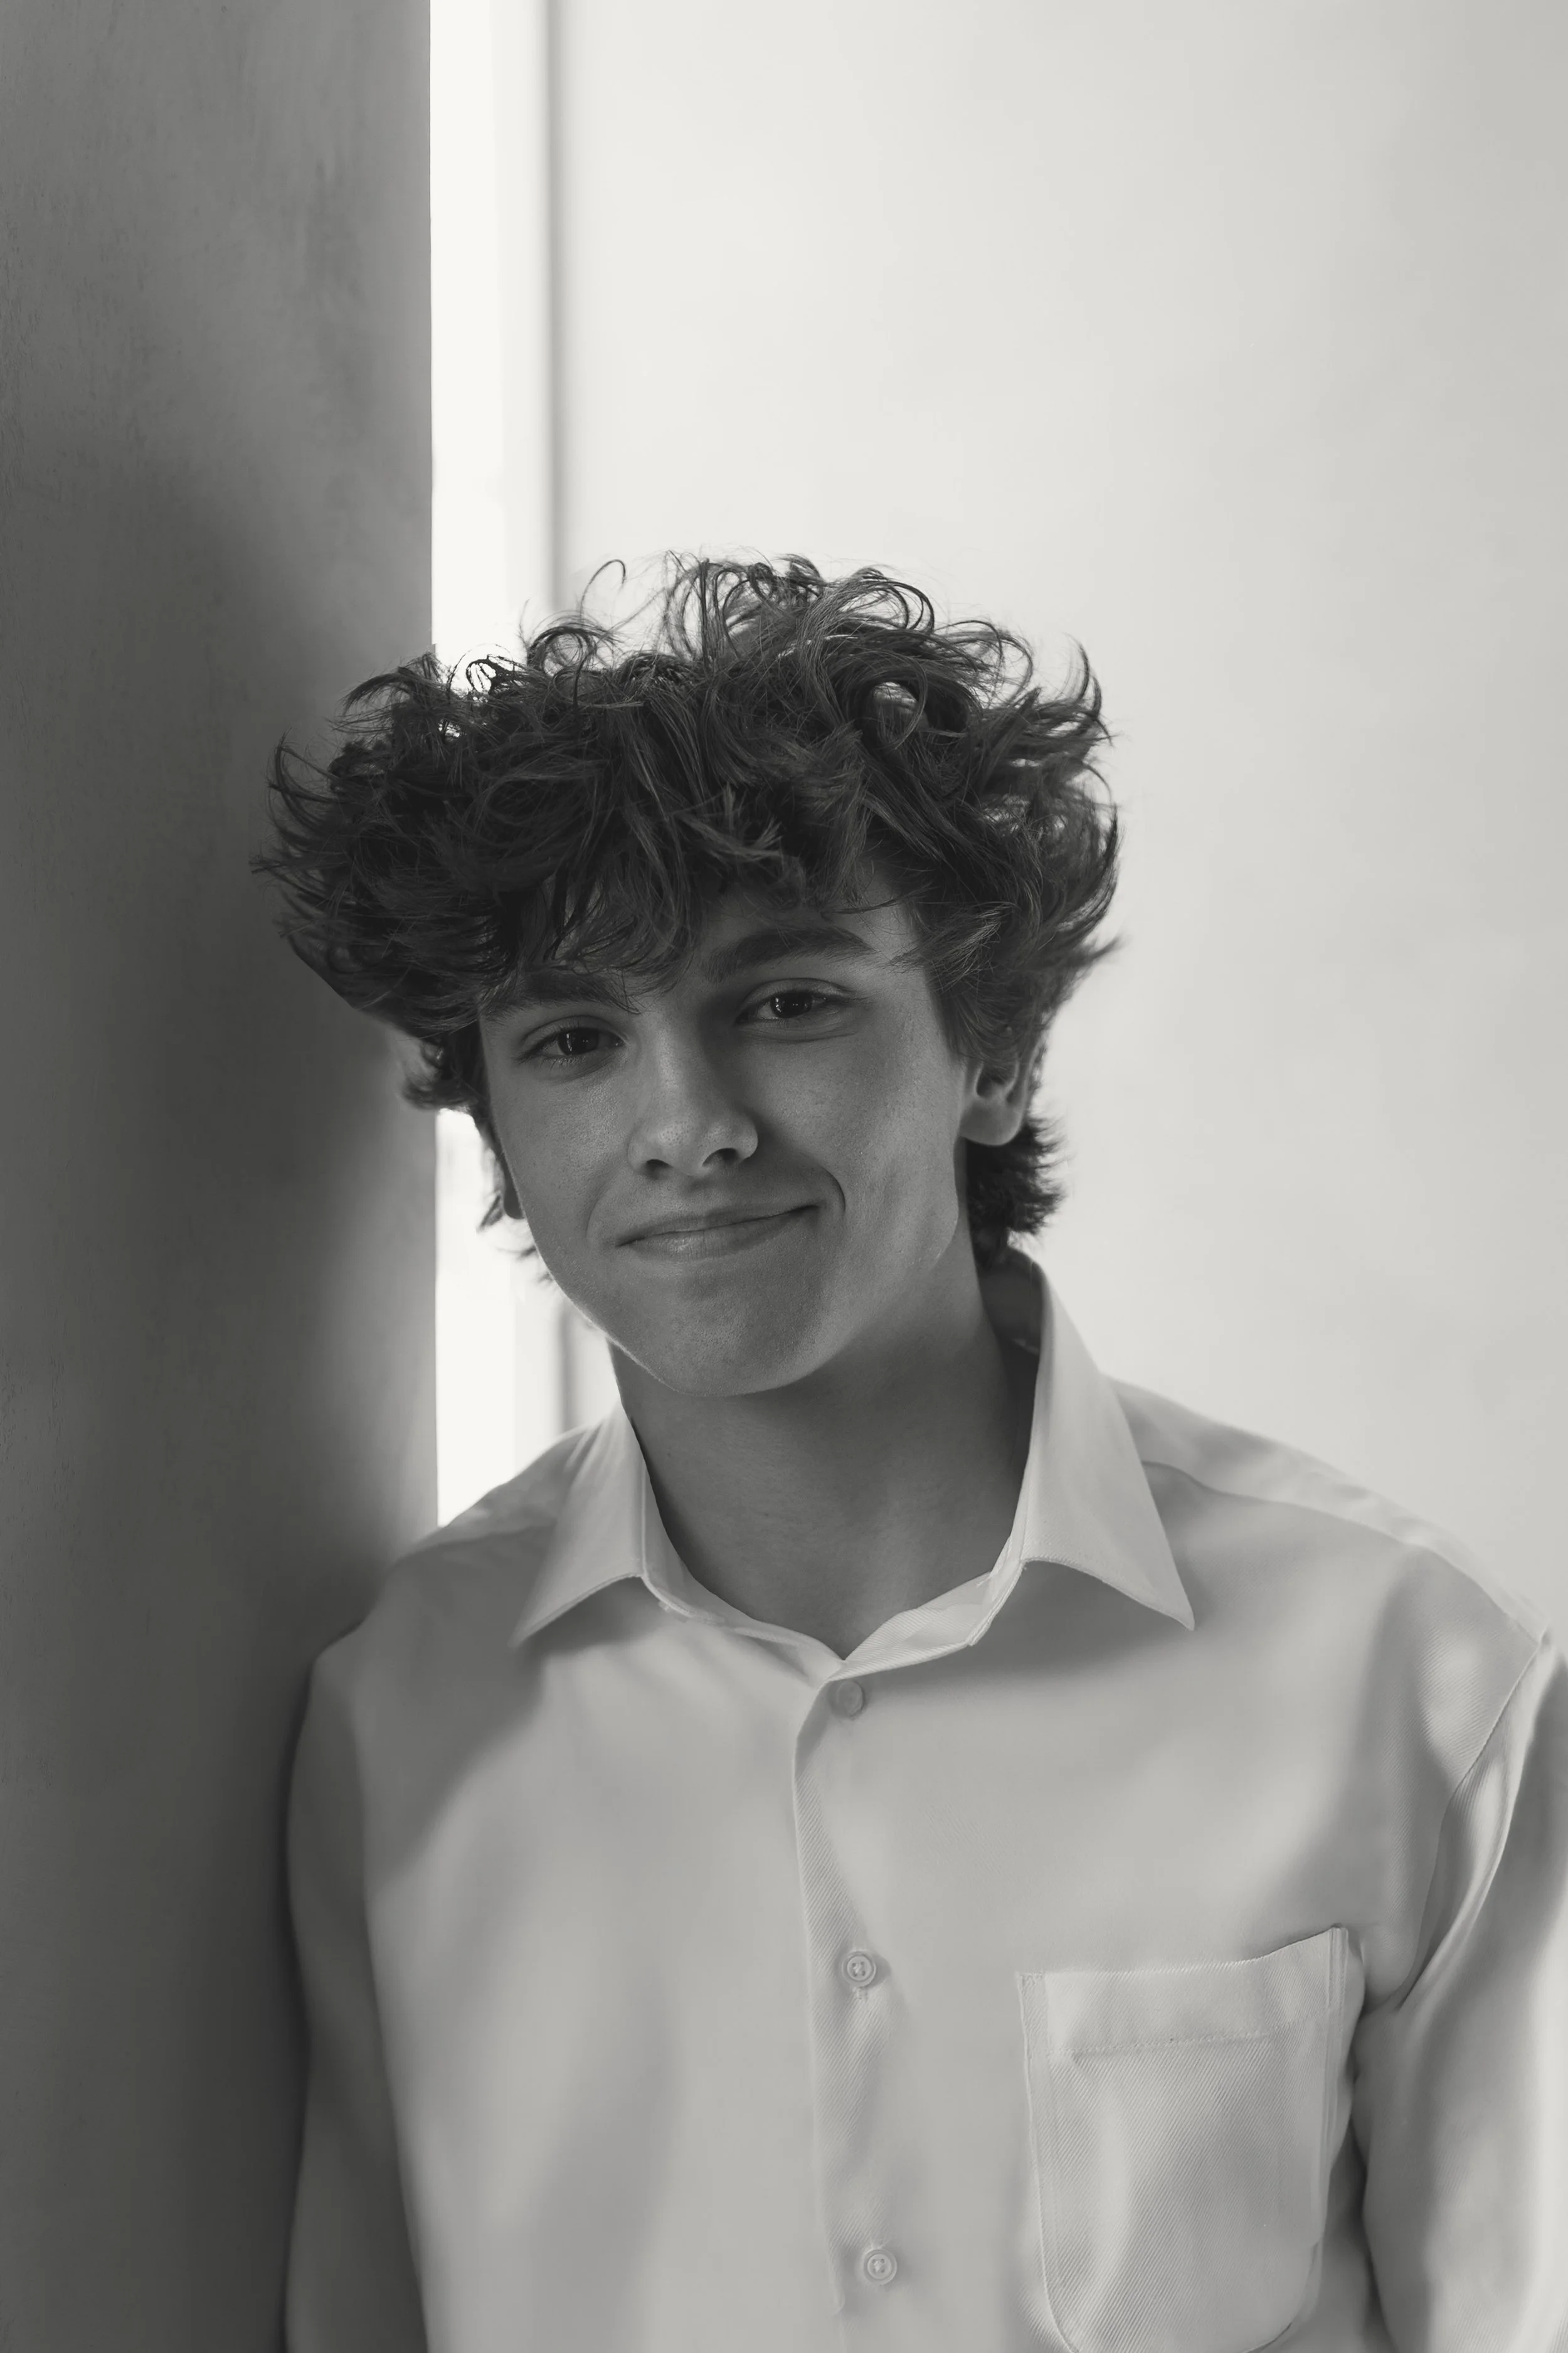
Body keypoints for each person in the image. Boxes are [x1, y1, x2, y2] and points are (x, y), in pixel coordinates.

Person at [253, 556, 1567, 2353]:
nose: (688, 1125)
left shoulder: (1409, 1674)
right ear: (493, 1133)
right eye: (572, 1038)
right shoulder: (397, 1719)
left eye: (785, 1001)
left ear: (998, 1047)